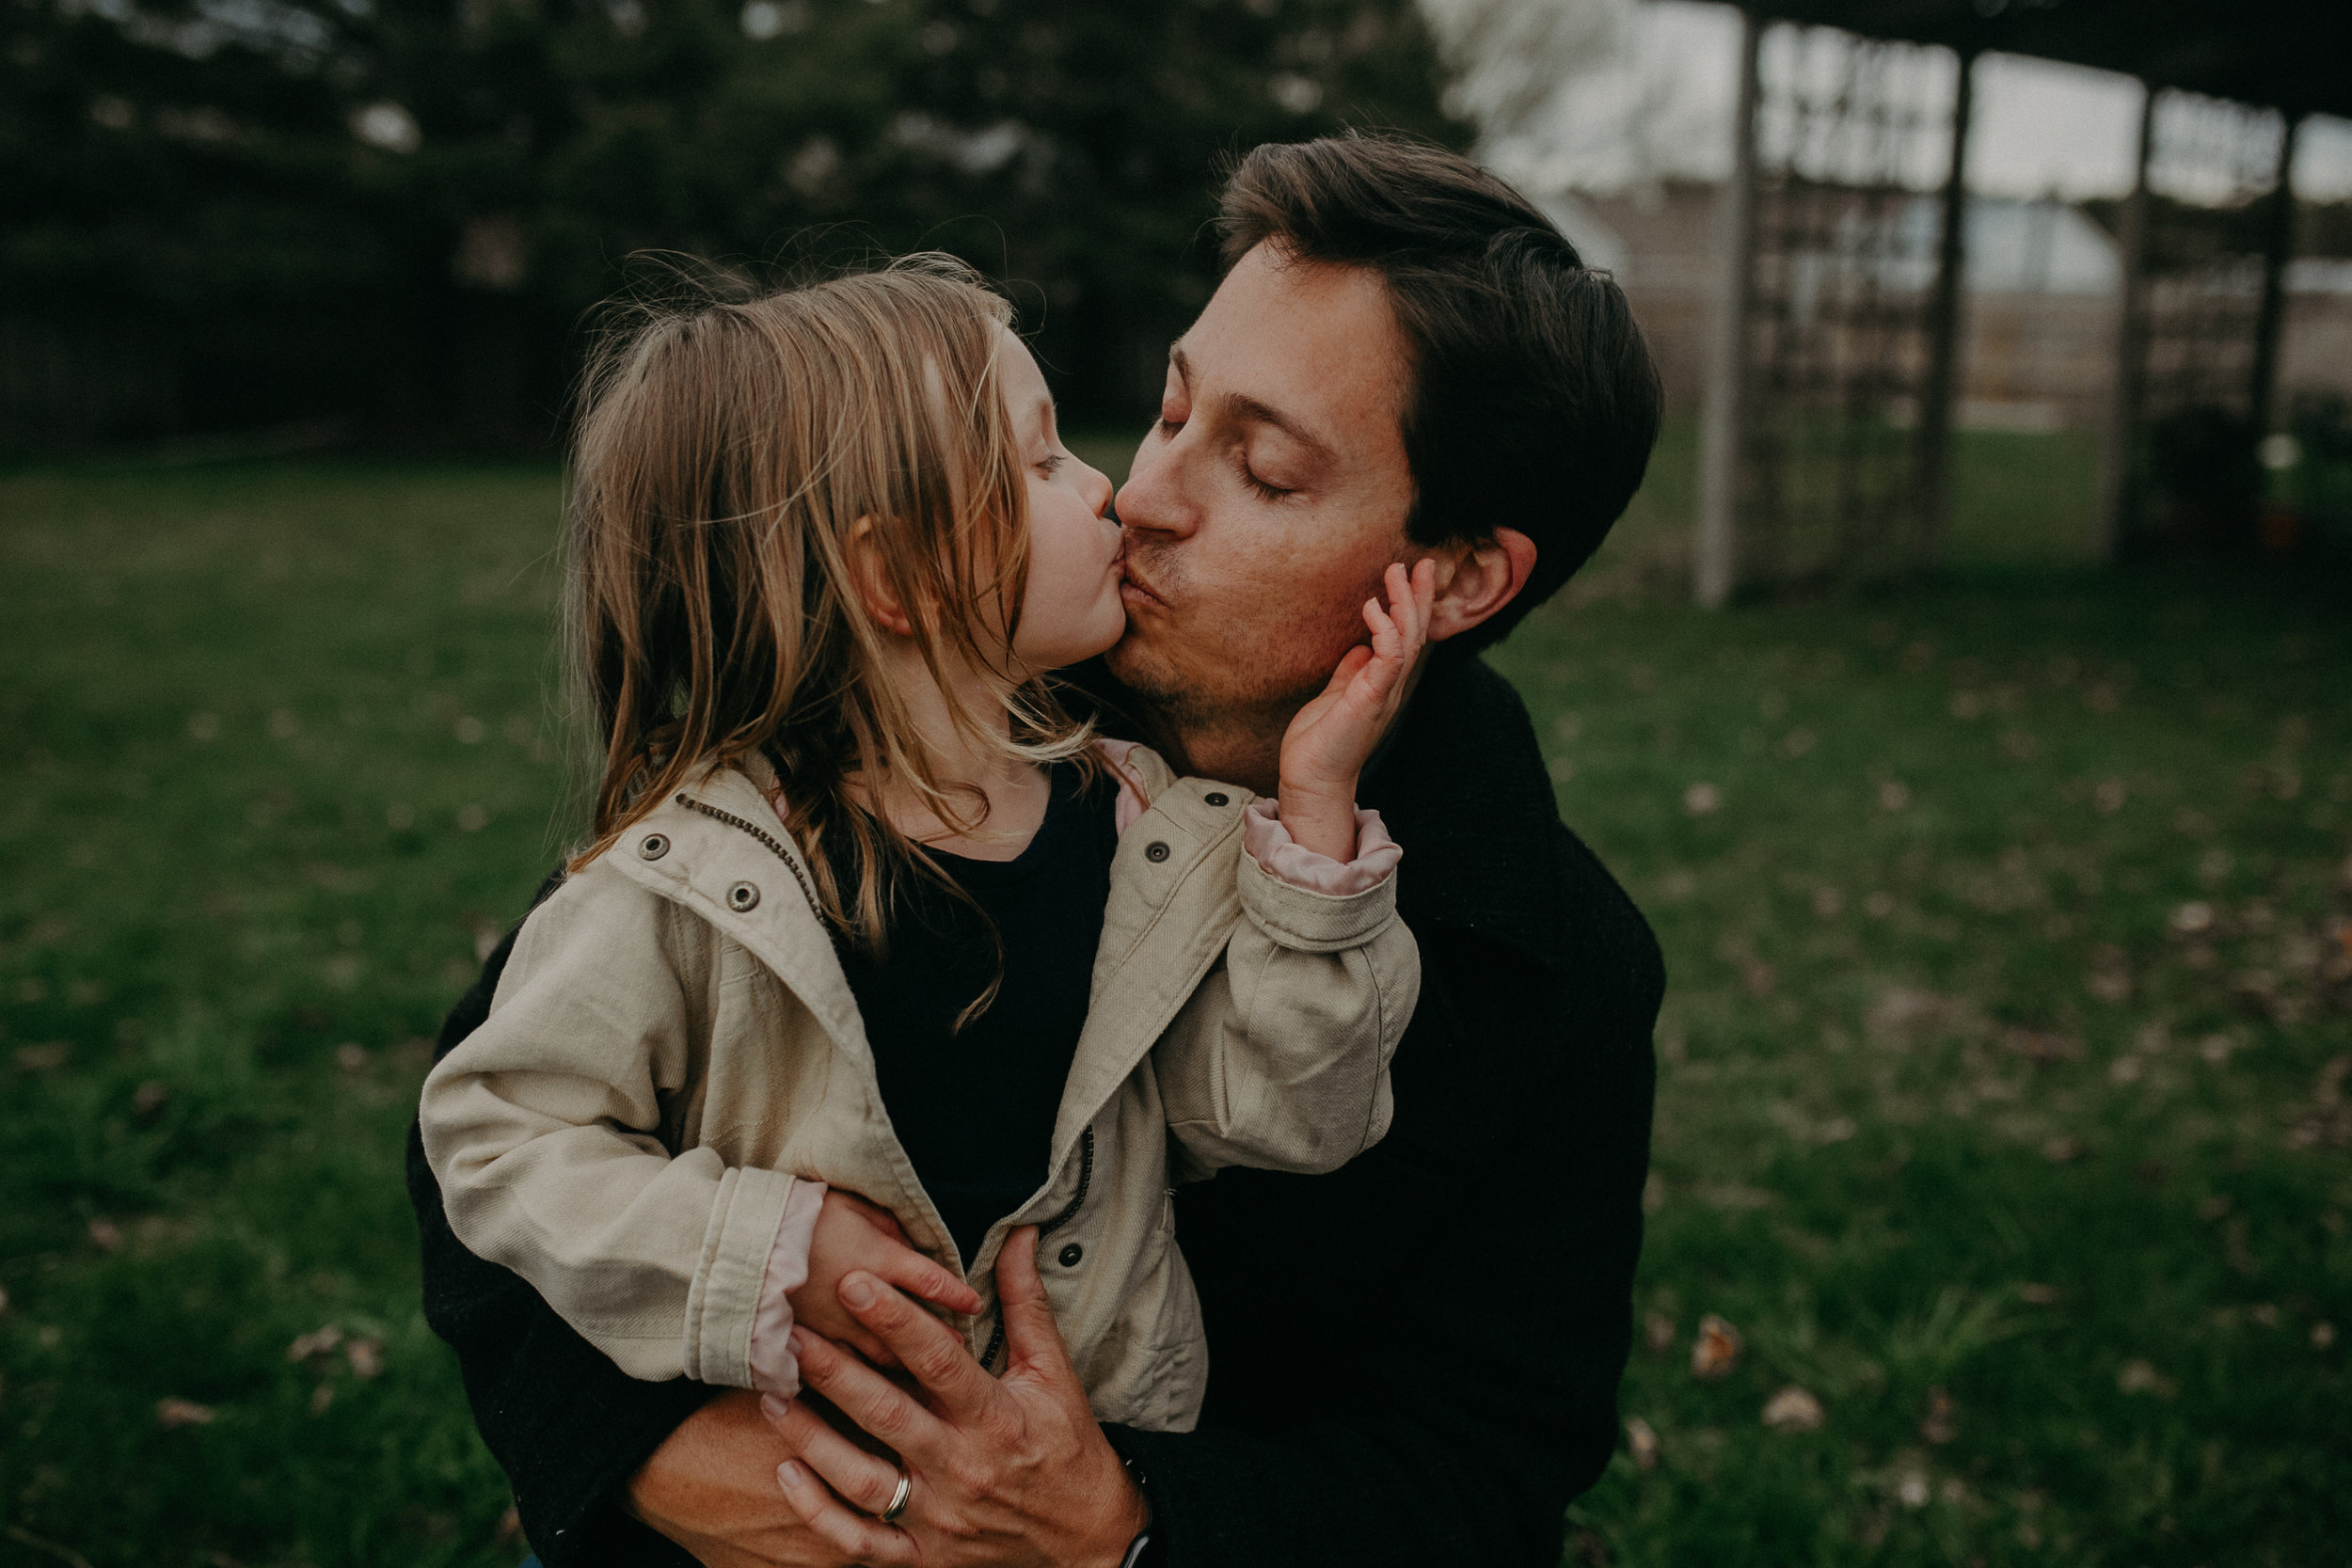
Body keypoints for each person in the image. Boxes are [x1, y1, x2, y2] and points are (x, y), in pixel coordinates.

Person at [405, 132, 1665, 1568]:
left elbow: (1478, 1470)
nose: (1142, 494)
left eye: (1260, 469)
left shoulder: (1552, 965)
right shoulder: (916, 694)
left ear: (1456, 578)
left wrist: (1118, 1530)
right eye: (1173, 409)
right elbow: (493, 1130)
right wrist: (667, 1460)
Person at [417, 257, 1430, 1449]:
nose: (1107, 487)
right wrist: (764, 1254)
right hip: (791, 1489)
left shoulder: (1143, 827)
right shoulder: (687, 882)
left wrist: (1313, 818)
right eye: (1044, 458)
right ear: (897, 575)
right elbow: (498, 1137)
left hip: (1077, 1461)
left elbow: (1280, 1117)